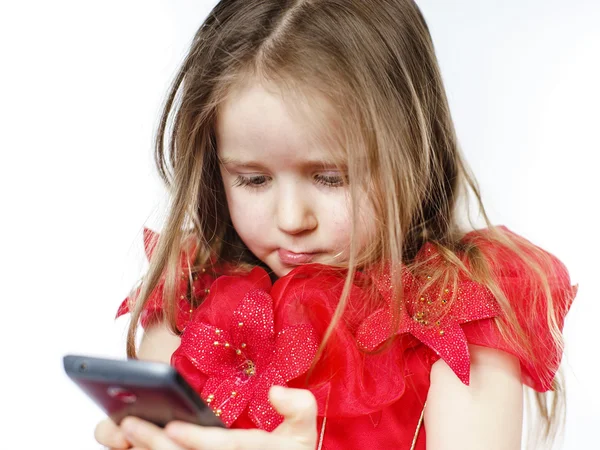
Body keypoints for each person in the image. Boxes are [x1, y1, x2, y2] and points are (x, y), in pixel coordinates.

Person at [95, 1, 577, 449]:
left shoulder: (460, 310)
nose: (291, 220)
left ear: (411, 152)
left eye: (330, 178)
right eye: (254, 179)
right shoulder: (190, 293)